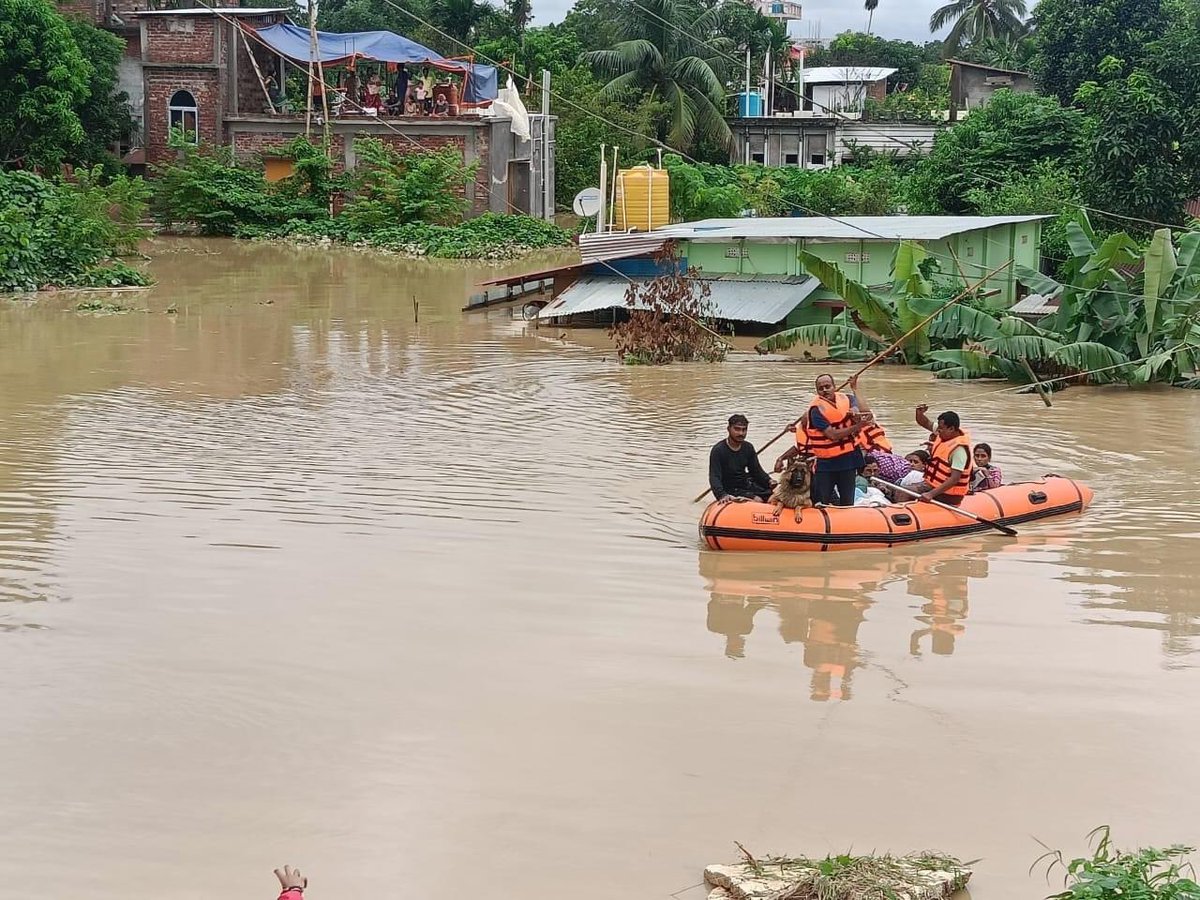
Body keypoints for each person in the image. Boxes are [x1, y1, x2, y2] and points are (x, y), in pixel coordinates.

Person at [803, 374, 867, 507]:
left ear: (834, 387)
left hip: (848, 460)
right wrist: (857, 426)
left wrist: (854, 389)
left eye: (828, 386)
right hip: (827, 464)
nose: (825, 390)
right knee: (822, 501)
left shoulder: (847, 399)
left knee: (847, 502)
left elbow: (866, 412)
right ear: (817, 391)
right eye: (821, 388)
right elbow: (832, 435)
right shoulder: (816, 410)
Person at [709, 414, 775, 503]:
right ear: (728, 429)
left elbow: (756, 471)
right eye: (737, 429)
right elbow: (715, 476)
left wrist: (769, 481)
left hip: (746, 484)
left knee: (774, 497)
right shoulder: (718, 450)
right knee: (758, 500)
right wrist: (721, 495)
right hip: (730, 488)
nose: (741, 433)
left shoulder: (748, 447)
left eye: (744, 430)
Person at [914, 405, 972, 505]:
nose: (938, 431)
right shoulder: (944, 433)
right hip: (933, 485)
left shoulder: (959, 450)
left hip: (948, 494)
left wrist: (931, 494)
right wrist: (919, 413)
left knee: (904, 492)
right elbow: (925, 423)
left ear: (951, 429)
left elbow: (954, 479)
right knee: (903, 486)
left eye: (940, 428)